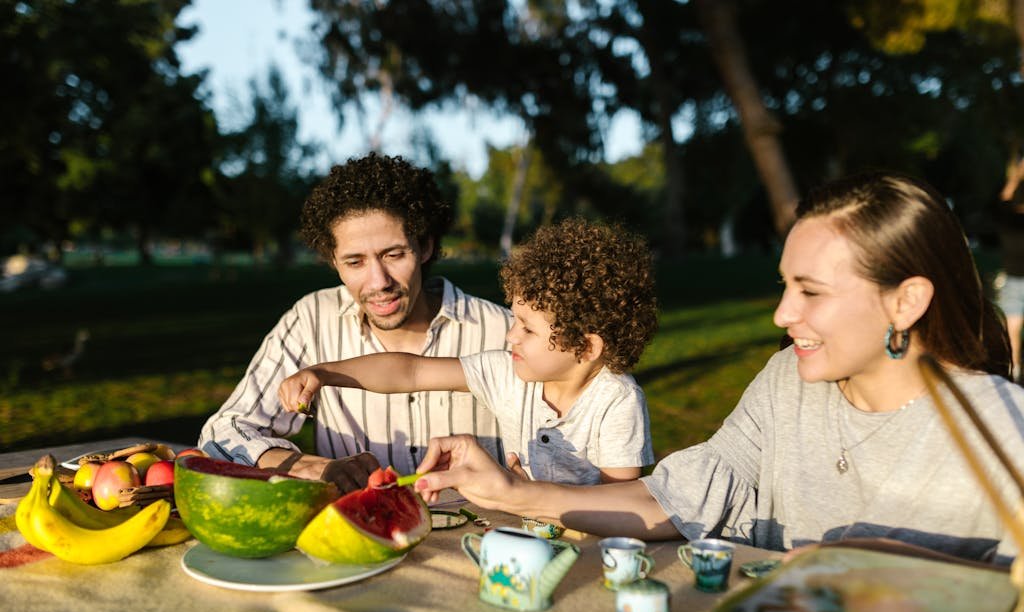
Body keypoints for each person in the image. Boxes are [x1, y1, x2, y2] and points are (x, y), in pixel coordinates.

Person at [411, 170, 1024, 566]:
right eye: (785, 286)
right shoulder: (787, 383)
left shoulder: (1003, 428)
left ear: (906, 301)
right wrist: (514, 493)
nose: (783, 313)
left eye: (811, 292)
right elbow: (681, 497)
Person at [198, 153, 513, 489]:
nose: (378, 282)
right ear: (334, 261)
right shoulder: (312, 320)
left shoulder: (501, 331)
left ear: (424, 246)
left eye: (393, 255)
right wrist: (313, 467)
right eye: (355, 262)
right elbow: (223, 433)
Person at [278, 218, 659, 485]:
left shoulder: (616, 401)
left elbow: (620, 502)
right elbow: (408, 372)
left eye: (527, 328)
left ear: (587, 346)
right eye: (514, 320)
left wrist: (531, 497)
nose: (510, 336)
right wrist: (324, 374)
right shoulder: (507, 373)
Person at [995, 162, 1024, 382]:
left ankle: (1014, 372)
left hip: (1013, 281)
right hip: (1014, 281)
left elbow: (1002, 201)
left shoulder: (1007, 223)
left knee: (1012, 332)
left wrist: (1015, 177)